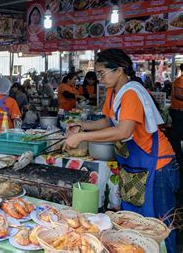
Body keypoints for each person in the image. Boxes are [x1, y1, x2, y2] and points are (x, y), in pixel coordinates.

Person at [65, 49, 179, 253]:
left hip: (158, 166)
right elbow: (108, 121)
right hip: (135, 167)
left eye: (101, 73)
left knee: (160, 227)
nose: (98, 78)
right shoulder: (113, 93)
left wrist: (81, 137)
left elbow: (123, 130)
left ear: (119, 71)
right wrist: (81, 125)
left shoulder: (131, 93)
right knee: (135, 226)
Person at [169, 63, 183, 163]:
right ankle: (177, 157)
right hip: (178, 112)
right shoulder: (180, 80)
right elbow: (178, 94)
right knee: (176, 135)